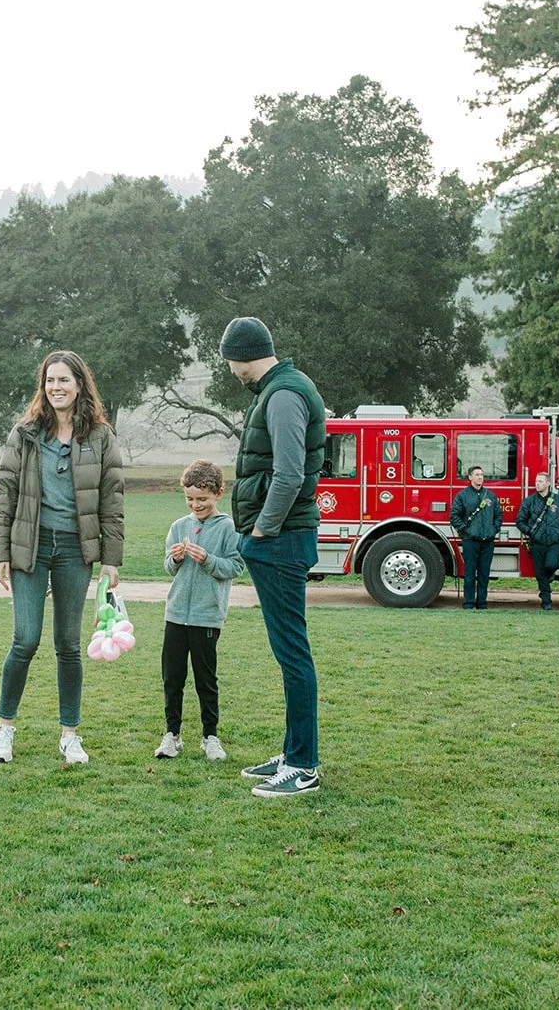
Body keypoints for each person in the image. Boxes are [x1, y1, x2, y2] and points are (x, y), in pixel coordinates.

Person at [0, 350, 125, 767]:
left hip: (74, 550)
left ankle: (70, 735)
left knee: (68, 644)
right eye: (50, 380)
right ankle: (4, 728)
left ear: (79, 385)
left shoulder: (100, 437)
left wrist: (111, 560)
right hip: (29, 547)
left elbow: (112, 501)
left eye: (64, 380)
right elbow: (4, 493)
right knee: (25, 640)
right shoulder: (25, 433)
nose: (56, 387)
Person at [221, 316, 327, 799]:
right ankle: (292, 752)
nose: (229, 370)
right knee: (289, 652)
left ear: (241, 355)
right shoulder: (279, 389)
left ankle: (303, 766)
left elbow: (287, 474)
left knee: (292, 653)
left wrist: (262, 530)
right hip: (280, 538)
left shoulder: (282, 395)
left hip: (280, 540)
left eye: (229, 361)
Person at [157, 459, 244, 762]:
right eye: (190, 499)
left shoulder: (228, 528)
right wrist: (176, 559)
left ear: (218, 494)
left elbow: (235, 566)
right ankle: (172, 735)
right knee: (172, 678)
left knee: (205, 680)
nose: (196, 505)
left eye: (202, 499)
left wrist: (208, 559)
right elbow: (168, 567)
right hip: (175, 615)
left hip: (207, 616)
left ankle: (210, 737)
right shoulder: (178, 527)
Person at [516, 472, 559, 611]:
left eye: (541, 481)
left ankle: (548, 582)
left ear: (548, 483)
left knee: (551, 565)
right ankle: (546, 600)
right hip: (537, 543)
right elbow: (520, 521)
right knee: (540, 573)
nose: (537, 484)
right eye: (536, 481)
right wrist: (531, 532)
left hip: (554, 542)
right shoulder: (529, 501)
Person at [450, 465, 502, 610]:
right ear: (470, 477)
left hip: (487, 541)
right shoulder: (463, 496)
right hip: (470, 541)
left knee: (484, 574)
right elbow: (454, 516)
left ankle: (482, 603)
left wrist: (493, 530)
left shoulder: (490, 496)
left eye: (481, 475)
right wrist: (467, 531)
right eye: (477, 474)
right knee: (470, 574)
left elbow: (498, 516)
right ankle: (469, 602)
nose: (480, 477)